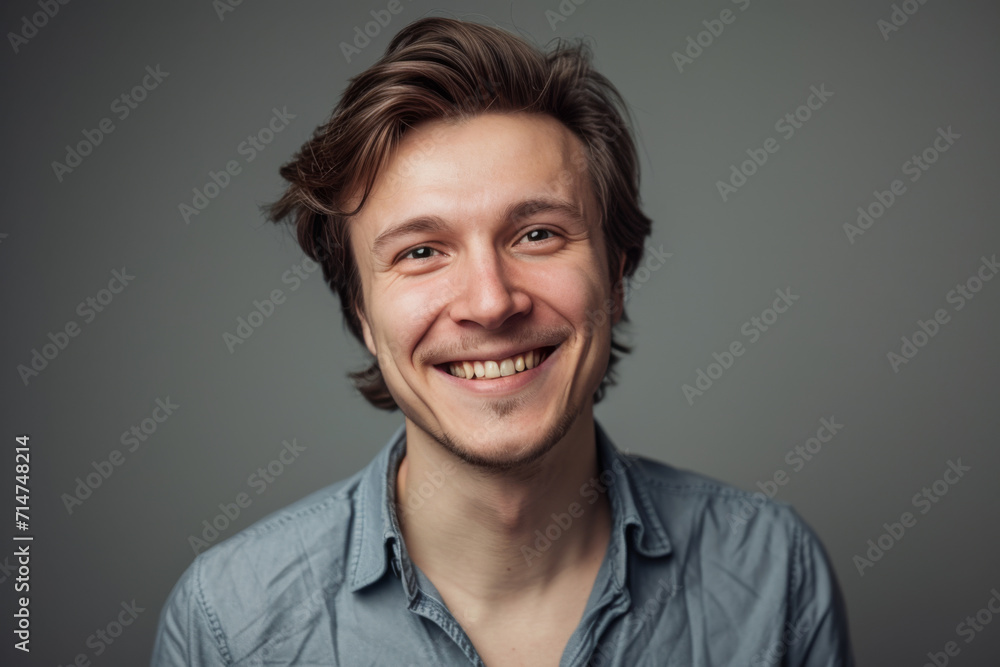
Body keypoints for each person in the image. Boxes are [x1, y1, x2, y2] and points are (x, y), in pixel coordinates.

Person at [151, 16, 854, 666]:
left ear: (614, 277)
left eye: (537, 234)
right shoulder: (231, 624)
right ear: (362, 311)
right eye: (422, 251)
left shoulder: (772, 571)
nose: (491, 302)